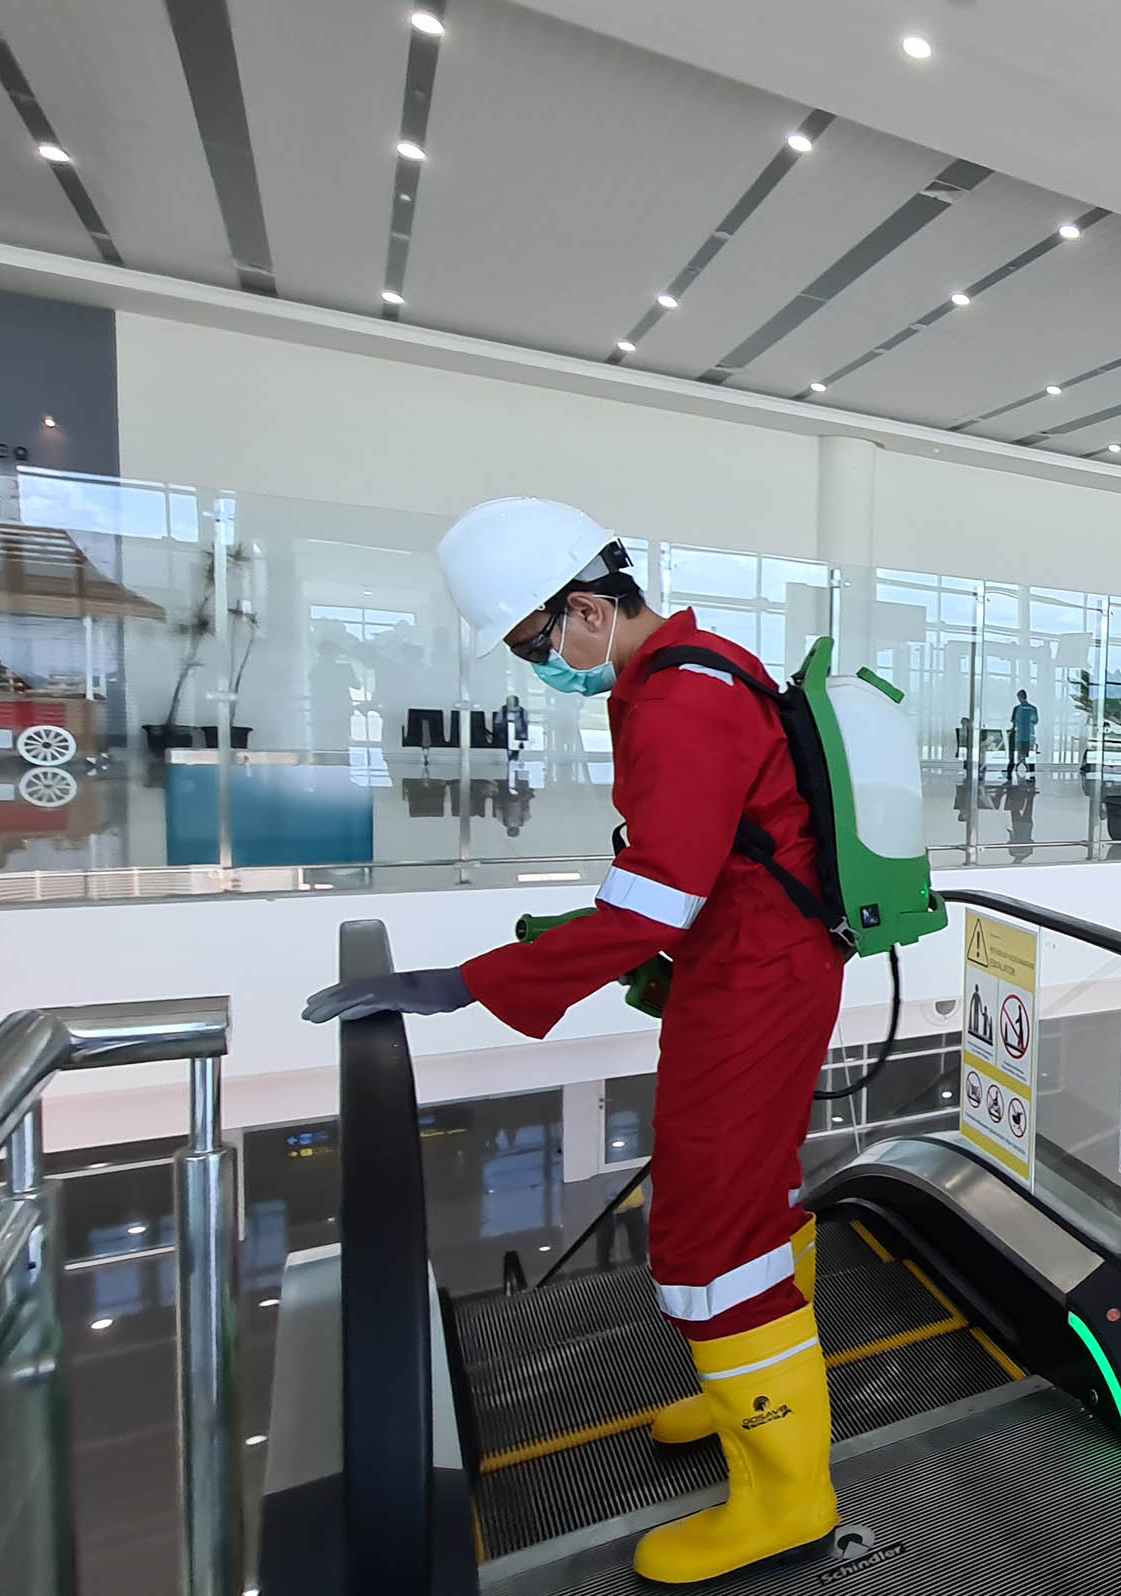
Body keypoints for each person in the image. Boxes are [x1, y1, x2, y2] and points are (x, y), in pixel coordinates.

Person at [297, 499, 845, 1583]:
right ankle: (743, 1402)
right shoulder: (692, 667)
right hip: (752, 967)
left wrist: (467, 983)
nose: (541, 668)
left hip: (752, 981)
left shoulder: (680, 699)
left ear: (588, 610)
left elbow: (652, 903)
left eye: (536, 645)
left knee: (709, 1236)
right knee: (746, 1200)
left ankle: (790, 1493)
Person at [1007, 687, 1039, 782]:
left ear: (1020, 697)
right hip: (1029, 735)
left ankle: (1011, 773)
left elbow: (1013, 723)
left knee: (1016, 755)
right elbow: (1035, 721)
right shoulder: (1033, 709)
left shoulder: (1017, 709)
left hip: (1020, 735)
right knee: (1029, 757)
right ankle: (1031, 775)